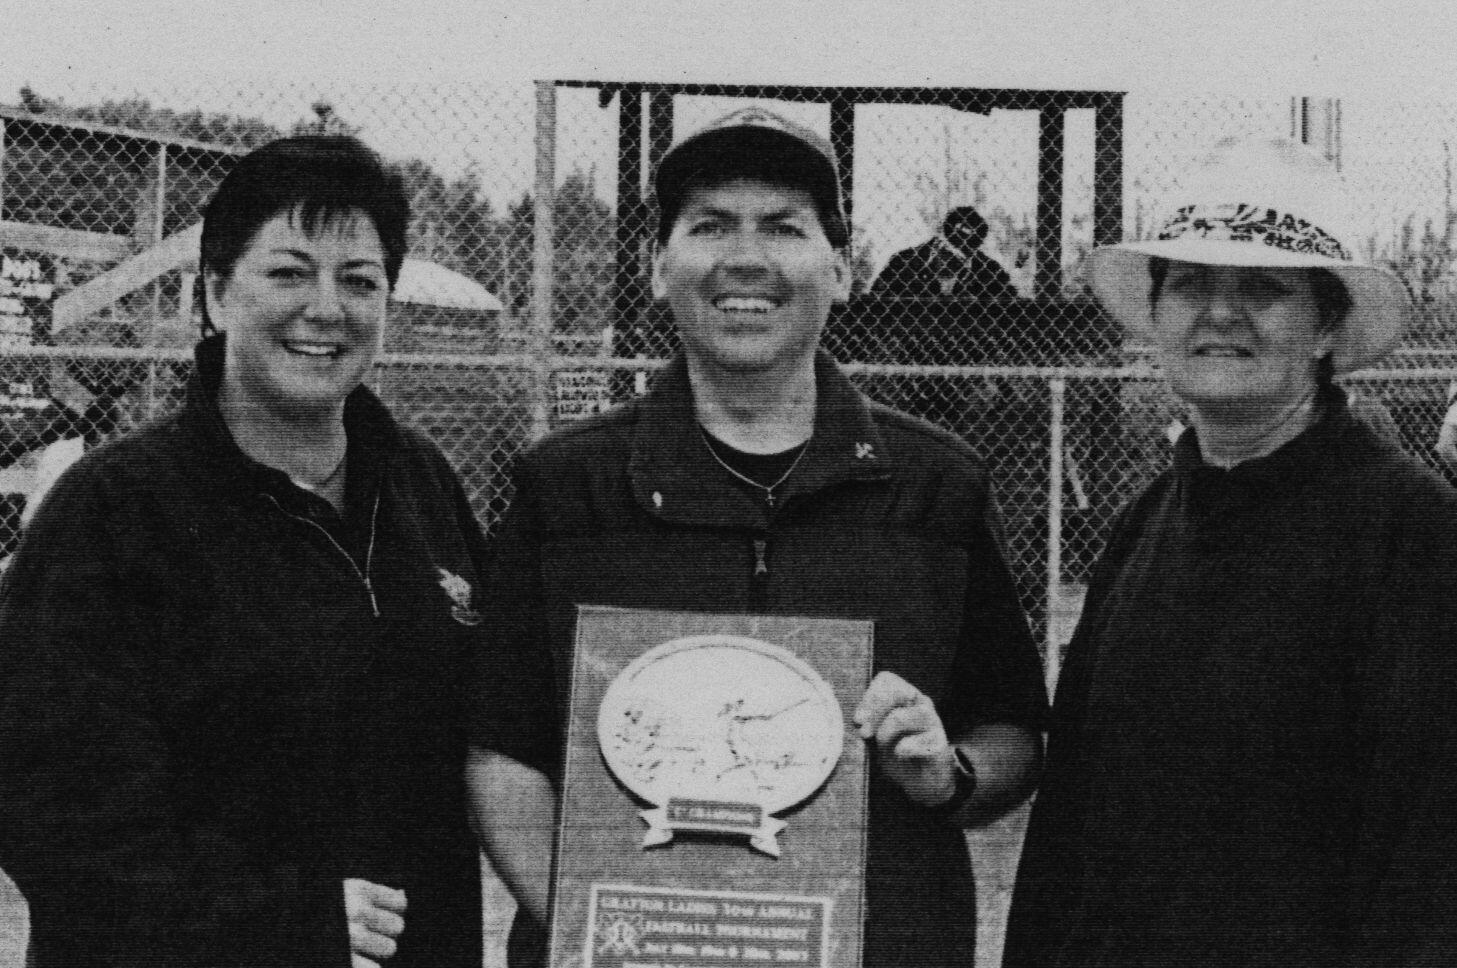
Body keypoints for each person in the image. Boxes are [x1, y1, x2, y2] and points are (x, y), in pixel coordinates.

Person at [466, 107, 1047, 968]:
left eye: (782, 226)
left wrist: (947, 772)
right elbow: (500, 750)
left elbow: (1013, 733)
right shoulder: (563, 487)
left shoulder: (938, 486)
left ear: (842, 269)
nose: (745, 257)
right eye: (708, 226)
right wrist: (602, 929)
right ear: (658, 268)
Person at [0, 135, 486, 968]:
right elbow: (48, 809)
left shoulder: (419, 483)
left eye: (359, 281)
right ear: (217, 295)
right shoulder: (114, 511)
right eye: (289, 273)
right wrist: (282, 926)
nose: (326, 308)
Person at [1003, 137, 1457, 968]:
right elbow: (1069, 822)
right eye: (1190, 284)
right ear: (1158, 313)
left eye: (1262, 288)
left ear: (1325, 326)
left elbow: (1427, 862)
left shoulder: (1411, 533)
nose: (1218, 312)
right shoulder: (1146, 522)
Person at [871, 204, 1016, 300]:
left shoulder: (989, 270)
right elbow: (875, 303)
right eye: (948, 250)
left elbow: (1012, 305)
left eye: (963, 257)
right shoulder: (903, 263)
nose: (952, 260)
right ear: (939, 240)